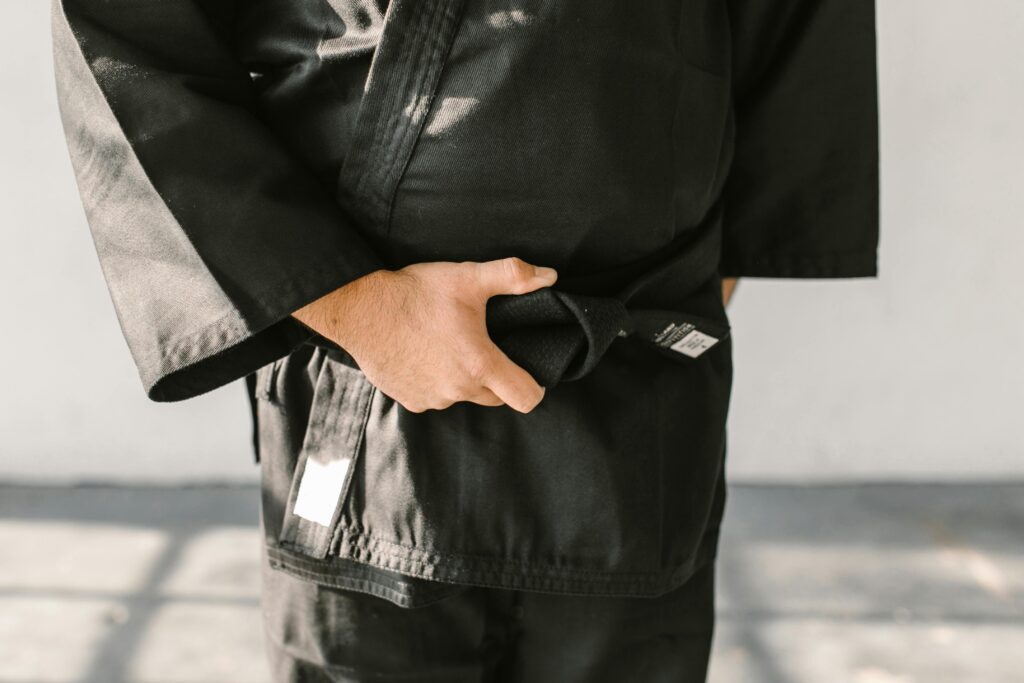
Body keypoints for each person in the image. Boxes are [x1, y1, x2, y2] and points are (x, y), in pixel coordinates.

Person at [51, 0, 879, 680]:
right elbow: (124, 28)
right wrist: (358, 308)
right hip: (366, 383)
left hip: (630, 392)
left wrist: (705, 269)